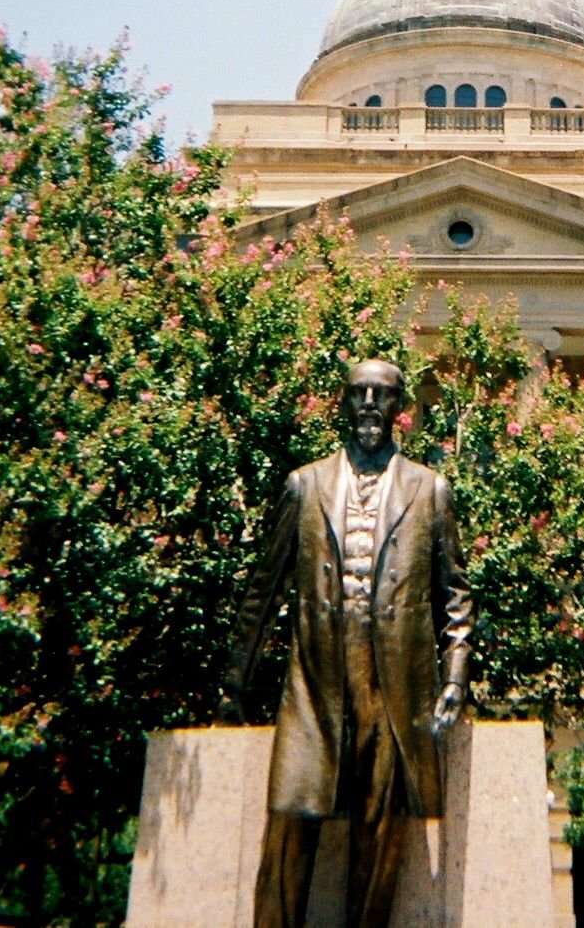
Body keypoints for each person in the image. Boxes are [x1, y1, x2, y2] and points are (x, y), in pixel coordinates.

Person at [217, 359, 473, 928]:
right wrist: (235, 681)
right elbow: (262, 589)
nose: (368, 405)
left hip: (392, 688)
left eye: (380, 395)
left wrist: (455, 676)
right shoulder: (304, 486)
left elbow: (455, 596)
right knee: (289, 822)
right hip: (315, 682)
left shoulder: (430, 491)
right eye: (357, 393)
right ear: (342, 403)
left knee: (378, 832)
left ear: (398, 407)